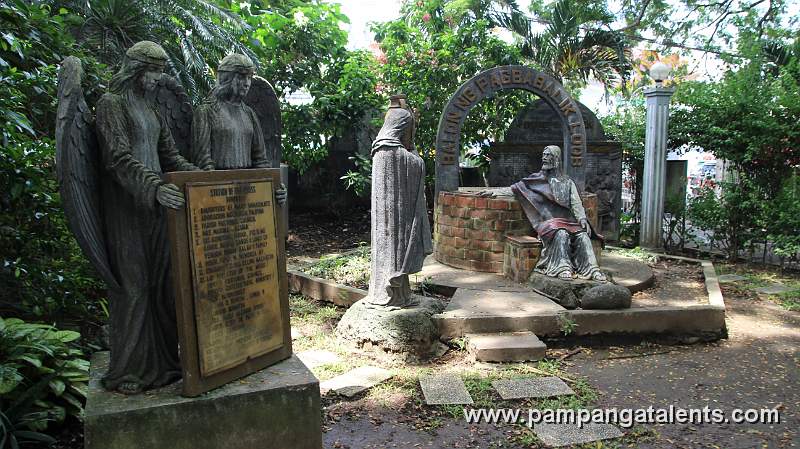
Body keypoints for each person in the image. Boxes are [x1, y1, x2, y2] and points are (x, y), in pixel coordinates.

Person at [94, 41, 201, 393]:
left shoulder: (150, 108)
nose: (158, 78)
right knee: (135, 286)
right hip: (127, 209)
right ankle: (129, 371)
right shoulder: (111, 104)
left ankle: (166, 362)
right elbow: (117, 158)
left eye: (161, 71)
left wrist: (202, 179)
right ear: (136, 69)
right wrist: (154, 188)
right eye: (153, 71)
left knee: (162, 285)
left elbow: (171, 156)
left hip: (157, 208)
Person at [364, 96, 432, 309]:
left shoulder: (379, 150)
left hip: (387, 217)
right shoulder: (396, 152)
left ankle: (397, 293)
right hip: (395, 217)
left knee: (390, 249)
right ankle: (393, 295)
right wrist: (417, 156)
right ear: (401, 127)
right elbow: (417, 163)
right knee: (396, 248)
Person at [190, 53, 286, 203]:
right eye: (241, 77)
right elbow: (202, 161)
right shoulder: (205, 112)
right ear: (226, 78)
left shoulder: (249, 114)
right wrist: (214, 195)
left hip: (248, 191)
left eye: (249, 78)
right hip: (216, 192)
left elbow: (260, 160)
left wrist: (274, 187)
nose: (247, 83)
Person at [511, 145, 606, 281]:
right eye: (543, 155)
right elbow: (515, 190)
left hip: (568, 221)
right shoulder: (535, 180)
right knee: (561, 234)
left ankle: (591, 269)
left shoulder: (567, 182)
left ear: (556, 158)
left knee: (583, 236)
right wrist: (494, 192)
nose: (544, 158)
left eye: (548, 155)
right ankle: (562, 267)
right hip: (549, 223)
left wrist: (582, 218)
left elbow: (576, 202)